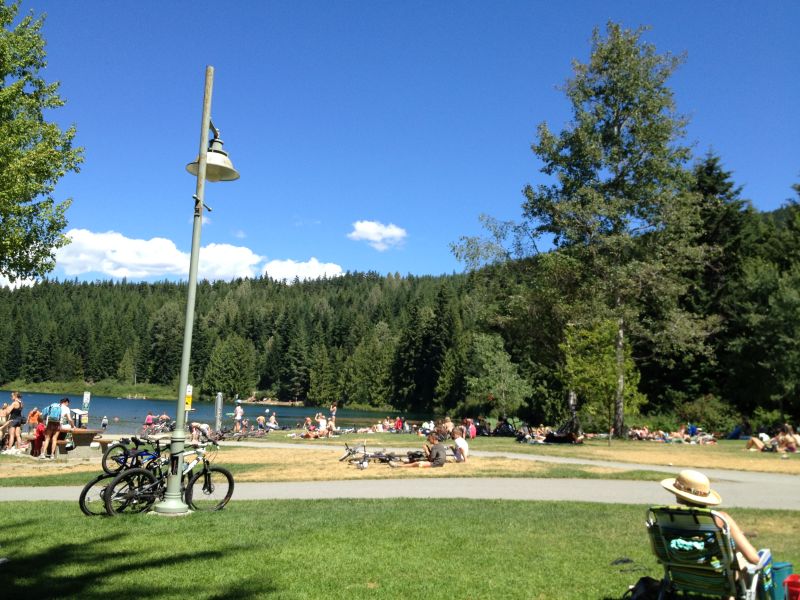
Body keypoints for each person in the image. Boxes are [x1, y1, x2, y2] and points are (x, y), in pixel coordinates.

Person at [660, 470, 759, 564]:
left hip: (681, 576)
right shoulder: (720, 519)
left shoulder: (667, 517)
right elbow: (753, 559)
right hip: (717, 577)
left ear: (678, 494)